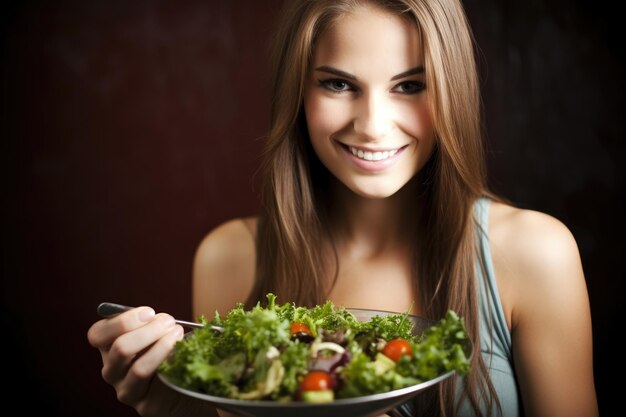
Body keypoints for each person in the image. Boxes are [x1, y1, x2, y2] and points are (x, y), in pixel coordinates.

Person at [87, 0, 598, 416]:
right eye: (338, 83)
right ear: (297, 91)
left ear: (453, 89)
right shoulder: (229, 258)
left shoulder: (535, 253)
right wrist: (181, 413)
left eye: (410, 86)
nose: (373, 125)